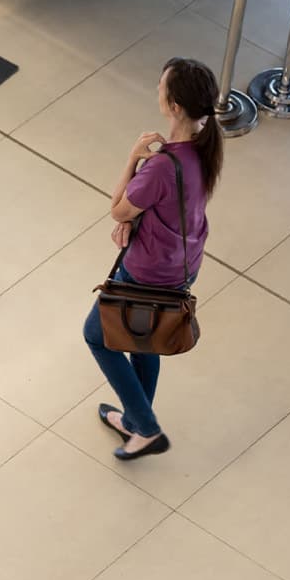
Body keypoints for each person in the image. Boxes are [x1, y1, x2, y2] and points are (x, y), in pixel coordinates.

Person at [85, 56, 224, 461]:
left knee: (98, 337)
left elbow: (117, 209)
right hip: (182, 266)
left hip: (146, 273)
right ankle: (133, 419)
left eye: (161, 87)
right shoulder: (204, 149)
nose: (157, 92)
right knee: (143, 342)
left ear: (174, 106)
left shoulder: (161, 166)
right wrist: (140, 221)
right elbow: (171, 205)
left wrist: (133, 158)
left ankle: (145, 428)